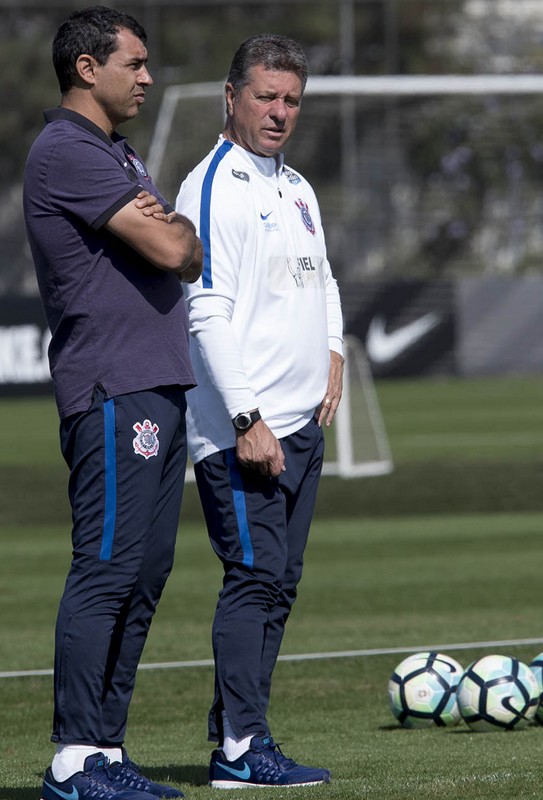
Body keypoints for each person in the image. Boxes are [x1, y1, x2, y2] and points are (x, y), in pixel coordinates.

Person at [23, 7, 203, 800]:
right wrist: (177, 230)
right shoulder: (68, 150)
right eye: (134, 62)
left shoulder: (118, 153)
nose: (148, 76)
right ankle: (72, 759)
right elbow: (175, 247)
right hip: (112, 385)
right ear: (86, 69)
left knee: (146, 571)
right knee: (105, 567)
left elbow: (182, 249)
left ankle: (105, 749)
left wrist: (178, 231)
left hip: (158, 383)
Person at [174, 34, 343, 789]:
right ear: (231, 95)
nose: (280, 112)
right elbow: (203, 312)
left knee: (280, 580)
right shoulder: (213, 187)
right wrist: (246, 420)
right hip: (245, 433)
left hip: (301, 426)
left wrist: (334, 348)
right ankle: (242, 749)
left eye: (292, 100)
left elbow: (324, 277)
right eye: (267, 96)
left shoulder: (297, 187)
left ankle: (239, 731)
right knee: (252, 575)